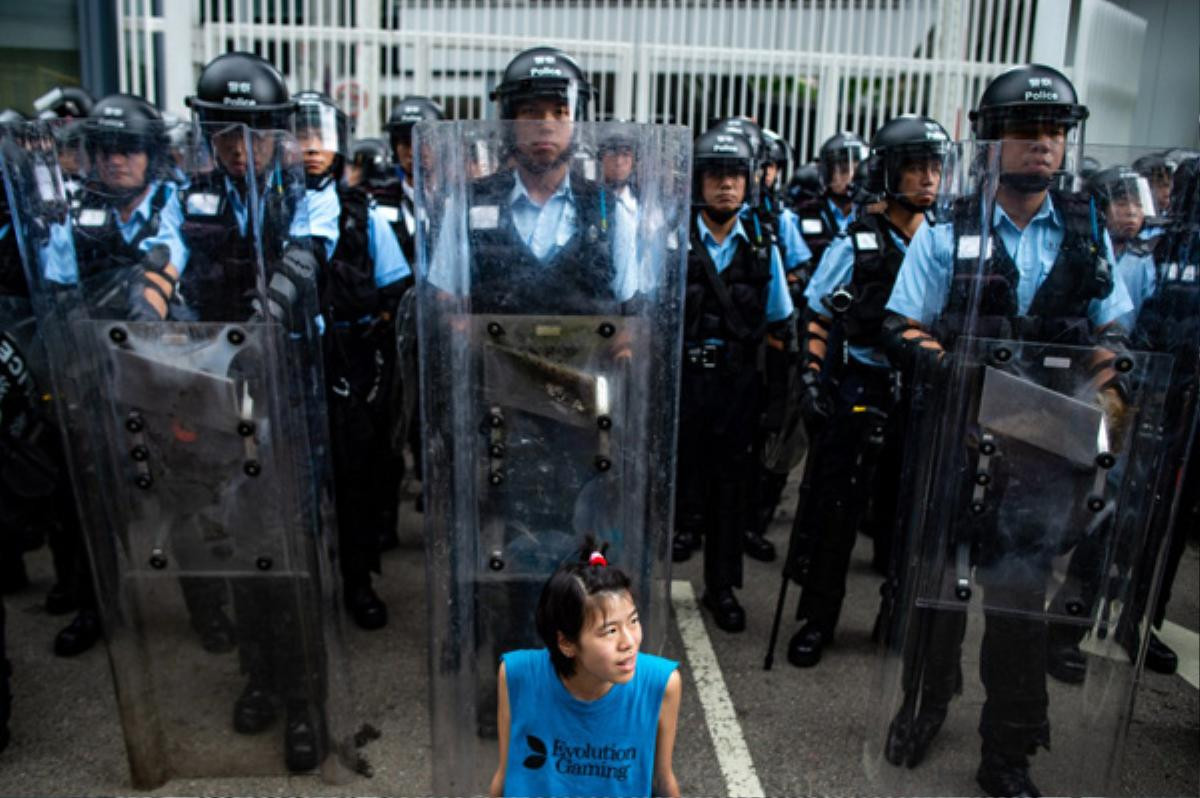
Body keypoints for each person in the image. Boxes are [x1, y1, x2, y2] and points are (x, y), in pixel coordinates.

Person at [879, 64, 1133, 797]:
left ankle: (1009, 751)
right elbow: (901, 323)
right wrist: (958, 372)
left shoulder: (1087, 229)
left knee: (1018, 602)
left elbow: (1111, 327)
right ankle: (925, 706)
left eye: (1054, 131)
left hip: (1048, 451)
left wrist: (1107, 374)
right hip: (958, 444)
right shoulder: (949, 227)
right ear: (991, 140)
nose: (1043, 145)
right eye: (1026, 130)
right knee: (939, 594)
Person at [785, 114, 949, 668]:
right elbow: (818, 310)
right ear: (889, 172)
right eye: (915, 167)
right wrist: (812, 379)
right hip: (864, 383)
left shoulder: (947, 240)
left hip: (925, 389)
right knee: (837, 510)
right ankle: (816, 619)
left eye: (935, 166)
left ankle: (896, 614)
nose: (928, 178)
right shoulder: (858, 238)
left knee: (912, 515)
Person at [294, 90, 412, 630]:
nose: (311, 148)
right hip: (289, 361)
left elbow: (395, 288)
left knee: (356, 480)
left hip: (352, 362)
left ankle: (358, 582)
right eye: (300, 136)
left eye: (321, 137)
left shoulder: (364, 213)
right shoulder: (274, 210)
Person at [672, 126, 794, 631]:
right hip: (682, 384)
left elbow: (780, 326)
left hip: (737, 386)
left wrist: (776, 406)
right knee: (673, 484)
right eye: (715, 175)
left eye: (735, 176)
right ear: (697, 182)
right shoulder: (669, 239)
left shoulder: (764, 247)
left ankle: (721, 588)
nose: (726, 186)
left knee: (730, 491)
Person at [490, 538, 681, 798]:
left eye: (633, 621)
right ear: (567, 643)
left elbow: (663, 780)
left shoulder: (661, 684)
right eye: (610, 631)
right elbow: (505, 774)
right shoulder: (516, 675)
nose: (629, 642)